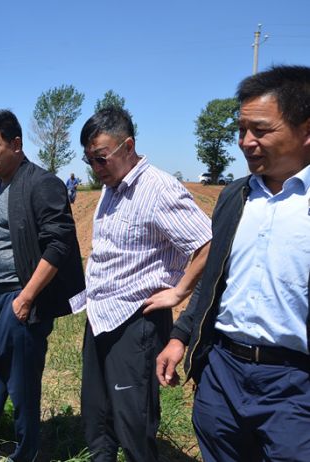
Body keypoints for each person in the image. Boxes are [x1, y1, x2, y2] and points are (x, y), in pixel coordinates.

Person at [156, 65, 310, 461]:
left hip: (296, 385)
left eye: (260, 130)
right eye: (241, 130)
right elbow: (214, 282)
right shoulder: (235, 197)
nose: (246, 142)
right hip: (223, 373)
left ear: (306, 130)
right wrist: (180, 337)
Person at [76, 107, 211, 461]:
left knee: (133, 421)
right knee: (97, 414)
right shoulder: (111, 188)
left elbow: (208, 244)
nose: (96, 168)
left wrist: (179, 292)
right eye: (90, 160)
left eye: (101, 158)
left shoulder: (158, 188)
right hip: (101, 316)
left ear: (128, 146)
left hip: (136, 322)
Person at [0, 109, 85, 462]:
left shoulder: (41, 183)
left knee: (22, 382)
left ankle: (27, 452)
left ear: (16, 143)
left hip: (17, 298)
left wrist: (26, 298)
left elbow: (59, 243)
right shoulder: (1, 185)